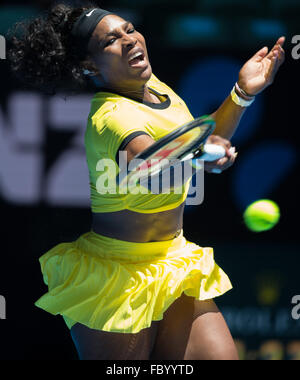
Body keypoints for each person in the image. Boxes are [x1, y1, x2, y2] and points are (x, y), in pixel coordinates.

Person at [8, 3, 285, 360]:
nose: (129, 40)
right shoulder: (110, 117)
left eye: (128, 29)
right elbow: (149, 168)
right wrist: (200, 157)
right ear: (91, 66)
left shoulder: (154, 87)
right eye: (111, 39)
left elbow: (198, 134)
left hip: (173, 259)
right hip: (115, 276)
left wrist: (242, 93)